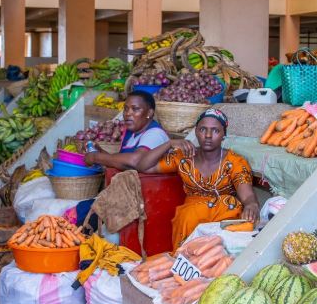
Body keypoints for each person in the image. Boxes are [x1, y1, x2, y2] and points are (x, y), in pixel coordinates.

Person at [132, 108, 260, 248]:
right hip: (190, 220)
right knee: (188, 219)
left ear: (224, 135)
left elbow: (247, 195)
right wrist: (169, 144)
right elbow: (143, 166)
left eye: (215, 130)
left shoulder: (235, 162)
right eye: (203, 129)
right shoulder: (184, 157)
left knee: (231, 204)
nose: (208, 135)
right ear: (196, 132)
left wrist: (251, 204)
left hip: (222, 218)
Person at [83, 90, 170, 170]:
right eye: (126, 108)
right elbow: (121, 163)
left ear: (149, 113)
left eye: (135, 109)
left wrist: (96, 157)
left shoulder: (156, 134)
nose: (128, 113)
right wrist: (99, 151)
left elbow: (136, 161)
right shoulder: (131, 132)